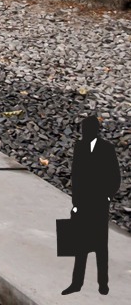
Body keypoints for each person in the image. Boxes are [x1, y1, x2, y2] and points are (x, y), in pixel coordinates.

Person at [67, 115, 120, 294]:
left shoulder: (107, 148)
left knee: (100, 246)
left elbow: (115, 176)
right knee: (80, 246)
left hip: (99, 203)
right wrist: (75, 202)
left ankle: (103, 284)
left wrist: (107, 197)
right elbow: (76, 176)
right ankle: (76, 283)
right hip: (83, 203)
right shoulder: (80, 147)